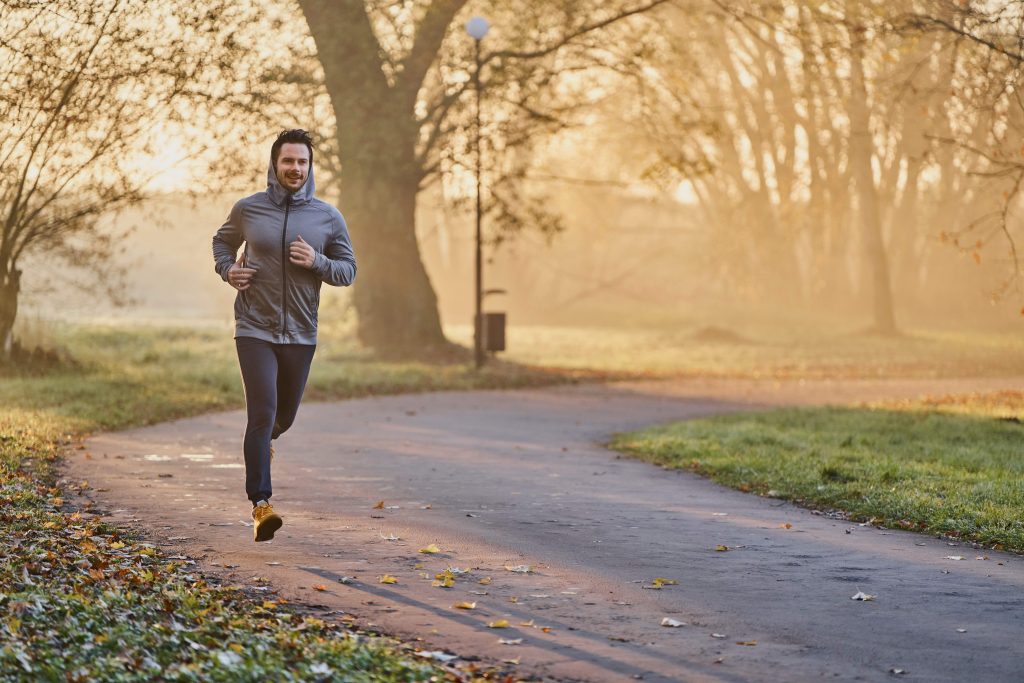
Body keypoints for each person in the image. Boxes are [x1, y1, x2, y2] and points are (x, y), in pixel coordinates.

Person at [212, 129, 356, 542]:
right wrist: (229, 271)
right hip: (254, 328)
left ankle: (266, 442)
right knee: (261, 413)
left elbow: (348, 271)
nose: (295, 168)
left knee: (283, 417)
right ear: (275, 164)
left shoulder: (327, 217)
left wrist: (317, 261)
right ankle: (261, 505)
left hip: (300, 333)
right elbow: (222, 244)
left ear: (310, 167)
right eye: (288, 161)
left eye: (302, 162)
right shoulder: (249, 209)